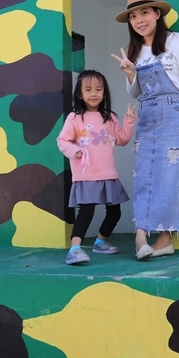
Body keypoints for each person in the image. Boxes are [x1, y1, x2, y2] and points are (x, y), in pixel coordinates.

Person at [111, 0, 179, 261]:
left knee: (170, 179)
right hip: (148, 117)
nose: (139, 20)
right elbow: (137, 93)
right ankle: (141, 235)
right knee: (144, 176)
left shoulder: (176, 41)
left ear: (157, 14)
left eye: (145, 13)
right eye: (134, 16)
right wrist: (130, 76)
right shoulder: (135, 51)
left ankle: (164, 240)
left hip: (176, 114)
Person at [56, 69, 137, 265]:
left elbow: (122, 139)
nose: (94, 94)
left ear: (104, 93)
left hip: (109, 174)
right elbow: (62, 140)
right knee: (86, 212)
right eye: (89, 89)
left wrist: (128, 122)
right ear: (79, 94)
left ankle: (100, 242)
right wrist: (74, 150)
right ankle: (74, 249)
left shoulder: (110, 117)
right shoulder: (74, 118)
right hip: (86, 175)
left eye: (99, 89)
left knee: (115, 212)